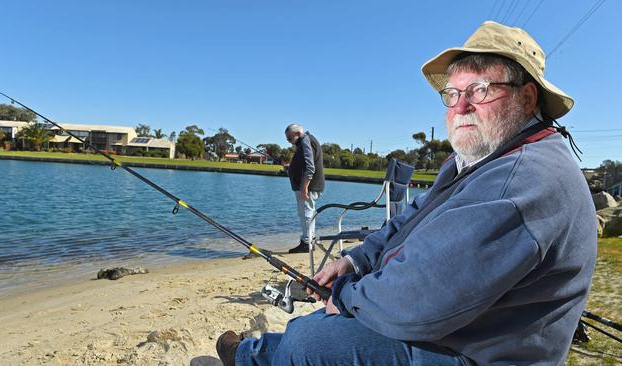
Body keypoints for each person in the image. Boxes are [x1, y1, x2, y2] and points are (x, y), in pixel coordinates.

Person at [217, 21, 597, 365]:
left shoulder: (521, 181)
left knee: (313, 340)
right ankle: (251, 356)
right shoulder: (477, 157)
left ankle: (246, 359)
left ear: (527, 98)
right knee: (320, 327)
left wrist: (347, 295)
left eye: (479, 91)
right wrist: (355, 263)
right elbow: (412, 214)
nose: (460, 107)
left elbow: (422, 300)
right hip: (464, 330)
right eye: (452, 94)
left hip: (483, 352)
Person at [284, 123, 325, 254]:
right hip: (311, 186)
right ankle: (309, 241)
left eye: (289, 139)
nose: (289, 142)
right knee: (308, 214)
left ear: (297, 133)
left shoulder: (306, 140)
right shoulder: (306, 141)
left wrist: (305, 187)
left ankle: (306, 243)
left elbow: (310, 167)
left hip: (309, 186)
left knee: (306, 214)